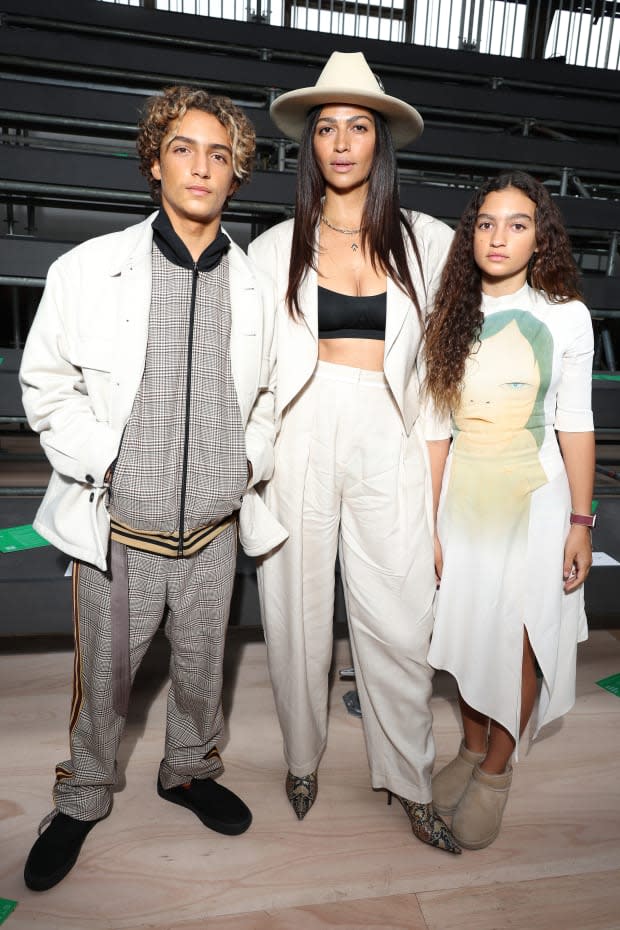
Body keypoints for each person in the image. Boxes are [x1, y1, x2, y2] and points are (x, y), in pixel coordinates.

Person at [19, 85, 286, 891]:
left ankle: (189, 771)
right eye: (183, 148)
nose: (201, 166)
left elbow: (274, 395)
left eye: (219, 152)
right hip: (119, 531)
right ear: (154, 161)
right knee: (102, 676)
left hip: (213, 531)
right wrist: (105, 458)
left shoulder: (259, 291)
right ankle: (85, 793)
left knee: (203, 671)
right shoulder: (88, 269)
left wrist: (246, 466)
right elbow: (44, 384)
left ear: (237, 171)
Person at [249, 51, 460, 854]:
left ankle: (409, 779)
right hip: (299, 435)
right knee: (295, 610)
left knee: (401, 620)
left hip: (391, 437)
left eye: (358, 127)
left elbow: (450, 368)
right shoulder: (272, 250)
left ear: (381, 142)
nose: (342, 142)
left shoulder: (429, 243)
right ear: (310, 146)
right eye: (327, 128)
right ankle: (303, 758)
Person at [425, 170, 595, 850]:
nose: (499, 237)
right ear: (472, 235)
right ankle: (469, 747)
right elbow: (435, 429)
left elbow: (575, 423)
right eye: (487, 223)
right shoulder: (448, 313)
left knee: (521, 636)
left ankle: (496, 771)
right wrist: (430, 523)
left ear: (540, 236)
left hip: (536, 503)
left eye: (518, 223)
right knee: (465, 632)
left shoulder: (566, 314)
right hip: (463, 502)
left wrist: (582, 522)